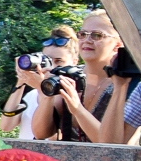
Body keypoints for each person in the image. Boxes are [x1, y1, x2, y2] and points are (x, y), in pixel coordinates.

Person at [33, 10, 125, 143]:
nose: (87, 40)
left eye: (97, 35)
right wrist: (47, 94)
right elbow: (40, 133)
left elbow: (115, 145)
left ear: (117, 44)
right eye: (82, 34)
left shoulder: (124, 83)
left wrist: (77, 109)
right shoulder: (69, 75)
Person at [1, 26, 77, 137]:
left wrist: (44, 91)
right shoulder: (32, 95)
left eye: (58, 61)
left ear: (74, 62)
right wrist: (21, 81)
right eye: (46, 61)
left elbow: (52, 137)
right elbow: (6, 126)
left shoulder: (72, 98)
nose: (51, 67)